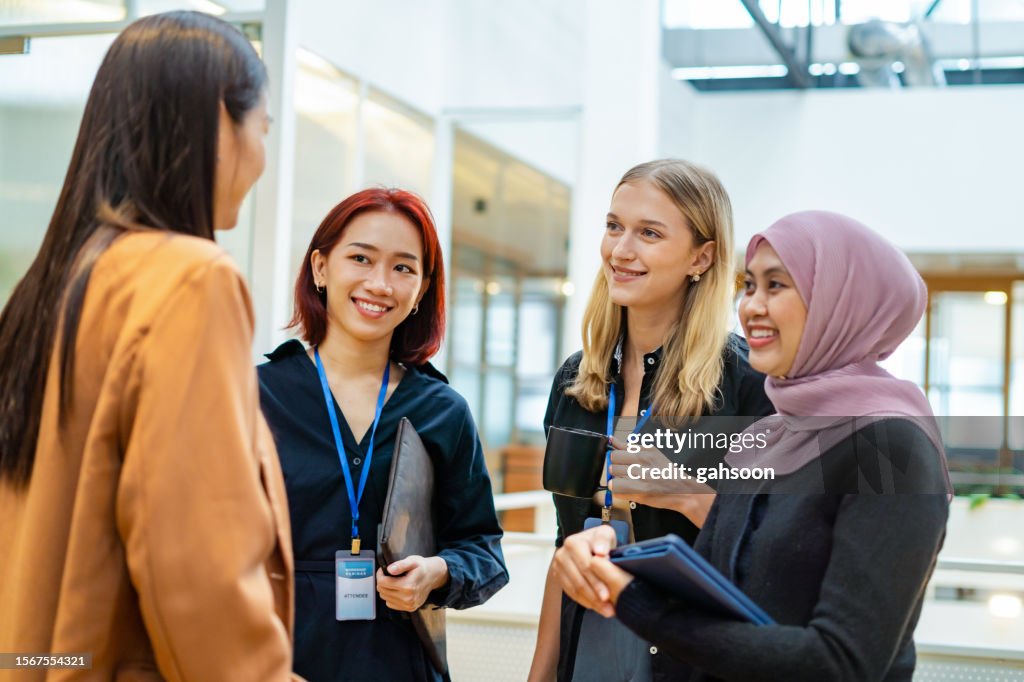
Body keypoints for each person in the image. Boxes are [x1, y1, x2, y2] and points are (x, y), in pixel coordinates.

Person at [0, 11, 298, 681]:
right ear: (221, 125)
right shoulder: (192, 279)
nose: (262, 155)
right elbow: (195, 568)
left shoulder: (52, 284)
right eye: (263, 129)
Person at [554, 210, 951, 681]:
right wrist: (608, 560)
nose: (752, 307)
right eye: (749, 285)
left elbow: (839, 664)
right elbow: (722, 596)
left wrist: (632, 599)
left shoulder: (891, 448)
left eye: (777, 286)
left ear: (840, 303)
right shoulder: (769, 435)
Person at [529, 159, 774, 682]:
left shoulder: (748, 388)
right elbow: (564, 545)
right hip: (588, 642)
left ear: (701, 257)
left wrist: (684, 494)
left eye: (650, 233)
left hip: (690, 655)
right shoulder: (577, 380)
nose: (620, 250)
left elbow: (773, 551)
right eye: (614, 226)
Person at [258, 187, 509, 682]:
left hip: (400, 663)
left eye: (403, 267)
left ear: (421, 289)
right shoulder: (254, 397)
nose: (380, 283)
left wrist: (438, 574)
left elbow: (483, 549)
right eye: (361, 258)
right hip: (277, 660)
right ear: (321, 268)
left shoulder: (443, 410)